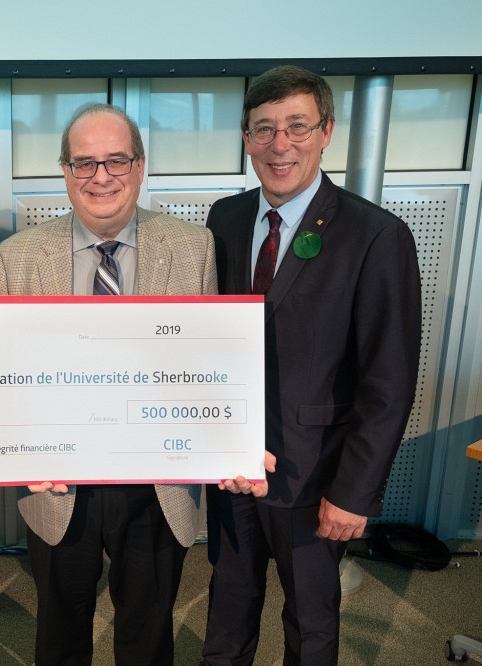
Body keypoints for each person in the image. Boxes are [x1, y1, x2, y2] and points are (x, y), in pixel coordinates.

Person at [202, 65, 422, 665]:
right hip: (232, 473)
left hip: (316, 478)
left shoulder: (377, 236)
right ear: (246, 138)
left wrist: (354, 493)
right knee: (227, 613)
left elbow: (390, 380)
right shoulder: (223, 220)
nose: (280, 145)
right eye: (264, 129)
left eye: (297, 126)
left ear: (326, 131)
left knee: (311, 624)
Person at [0, 102, 218, 665]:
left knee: (147, 633)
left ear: (140, 166)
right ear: (65, 170)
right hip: (59, 486)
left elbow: (209, 368)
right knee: (60, 633)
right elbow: (7, 380)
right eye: (84, 163)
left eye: (116, 161)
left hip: (156, 483)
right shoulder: (16, 259)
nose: (101, 177)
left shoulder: (194, 249)